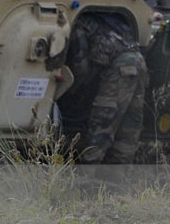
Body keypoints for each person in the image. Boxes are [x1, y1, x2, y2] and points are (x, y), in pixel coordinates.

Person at [62, 11, 148, 164]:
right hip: (139, 61)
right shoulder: (110, 19)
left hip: (120, 67)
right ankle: (117, 180)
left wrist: (72, 90)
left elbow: (80, 66)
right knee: (129, 127)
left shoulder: (79, 24)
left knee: (102, 123)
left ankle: (87, 179)